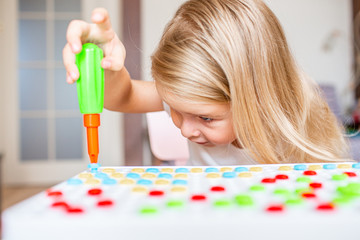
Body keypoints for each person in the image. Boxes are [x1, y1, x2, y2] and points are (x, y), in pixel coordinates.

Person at [63, 0, 350, 165]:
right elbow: (121, 97)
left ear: (260, 100)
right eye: (174, 108)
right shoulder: (191, 97)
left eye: (206, 118)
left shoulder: (291, 134)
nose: (185, 129)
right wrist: (103, 64)